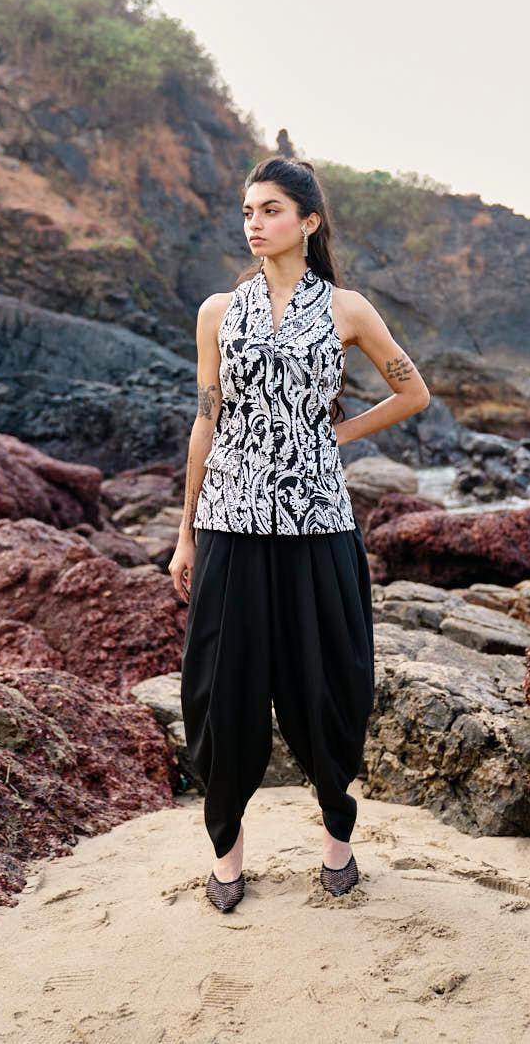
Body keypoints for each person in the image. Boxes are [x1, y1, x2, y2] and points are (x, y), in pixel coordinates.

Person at [168, 156, 430, 911]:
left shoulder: (348, 309)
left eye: (271, 209)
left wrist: (337, 434)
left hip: (319, 523)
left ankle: (337, 842)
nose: (254, 222)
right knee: (223, 689)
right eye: (248, 210)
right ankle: (226, 856)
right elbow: (207, 421)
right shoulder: (218, 311)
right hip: (230, 521)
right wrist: (186, 534)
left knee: (330, 682)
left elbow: (412, 390)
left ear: (309, 222)